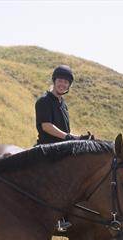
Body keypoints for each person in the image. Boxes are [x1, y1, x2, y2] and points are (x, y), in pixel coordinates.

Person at [35, 65, 93, 231]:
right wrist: (70, 138)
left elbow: (65, 131)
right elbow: (47, 126)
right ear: (54, 81)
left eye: (66, 82)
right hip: (47, 149)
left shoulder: (63, 105)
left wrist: (79, 138)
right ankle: (52, 218)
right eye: (60, 81)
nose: (62, 84)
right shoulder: (44, 101)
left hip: (63, 150)